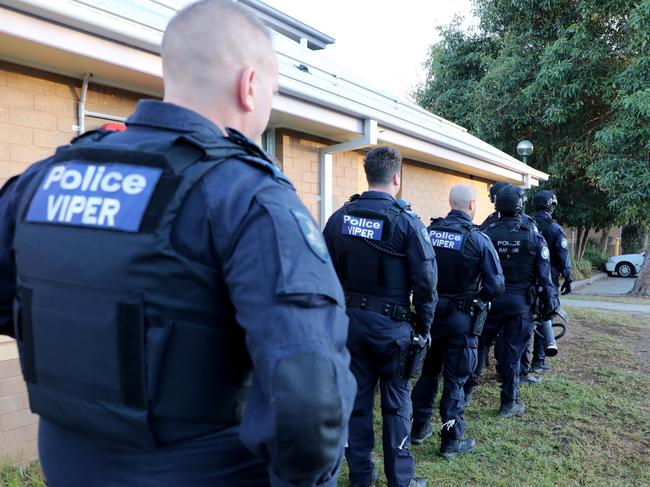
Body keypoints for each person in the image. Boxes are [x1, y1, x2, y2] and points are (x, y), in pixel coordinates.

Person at [0, 1, 356, 486]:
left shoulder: (42, 179)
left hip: (67, 465)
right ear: (250, 86)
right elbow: (309, 398)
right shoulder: (246, 195)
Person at [323, 146, 437, 487]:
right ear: (397, 178)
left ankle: (361, 474)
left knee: (356, 401)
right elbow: (427, 282)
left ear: (367, 174)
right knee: (397, 403)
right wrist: (424, 326)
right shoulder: (408, 223)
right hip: (393, 330)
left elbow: (320, 270)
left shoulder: (340, 218)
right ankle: (400, 479)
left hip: (350, 326)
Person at [410, 184, 504, 457]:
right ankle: (451, 441)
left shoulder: (429, 232)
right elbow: (496, 284)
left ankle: (419, 428)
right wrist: (477, 299)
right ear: (472, 205)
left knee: (428, 373)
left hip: (430, 316)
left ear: (451, 203)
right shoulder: (478, 239)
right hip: (461, 320)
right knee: (455, 381)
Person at [467, 185, 557, 417]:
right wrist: (550, 306)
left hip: (489, 300)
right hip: (520, 303)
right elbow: (545, 276)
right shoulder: (532, 232)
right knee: (512, 353)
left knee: (479, 346)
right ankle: (509, 403)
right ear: (520, 205)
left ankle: (465, 395)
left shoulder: (486, 230)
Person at [523, 190, 573, 373]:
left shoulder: (526, 224)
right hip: (548, 282)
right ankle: (538, 361)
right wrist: (568, 278)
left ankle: (523, 363)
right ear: (551, 205)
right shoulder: (555, 228)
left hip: (526, 281)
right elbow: (563, 256)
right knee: (546, 318)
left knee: (524, 321)